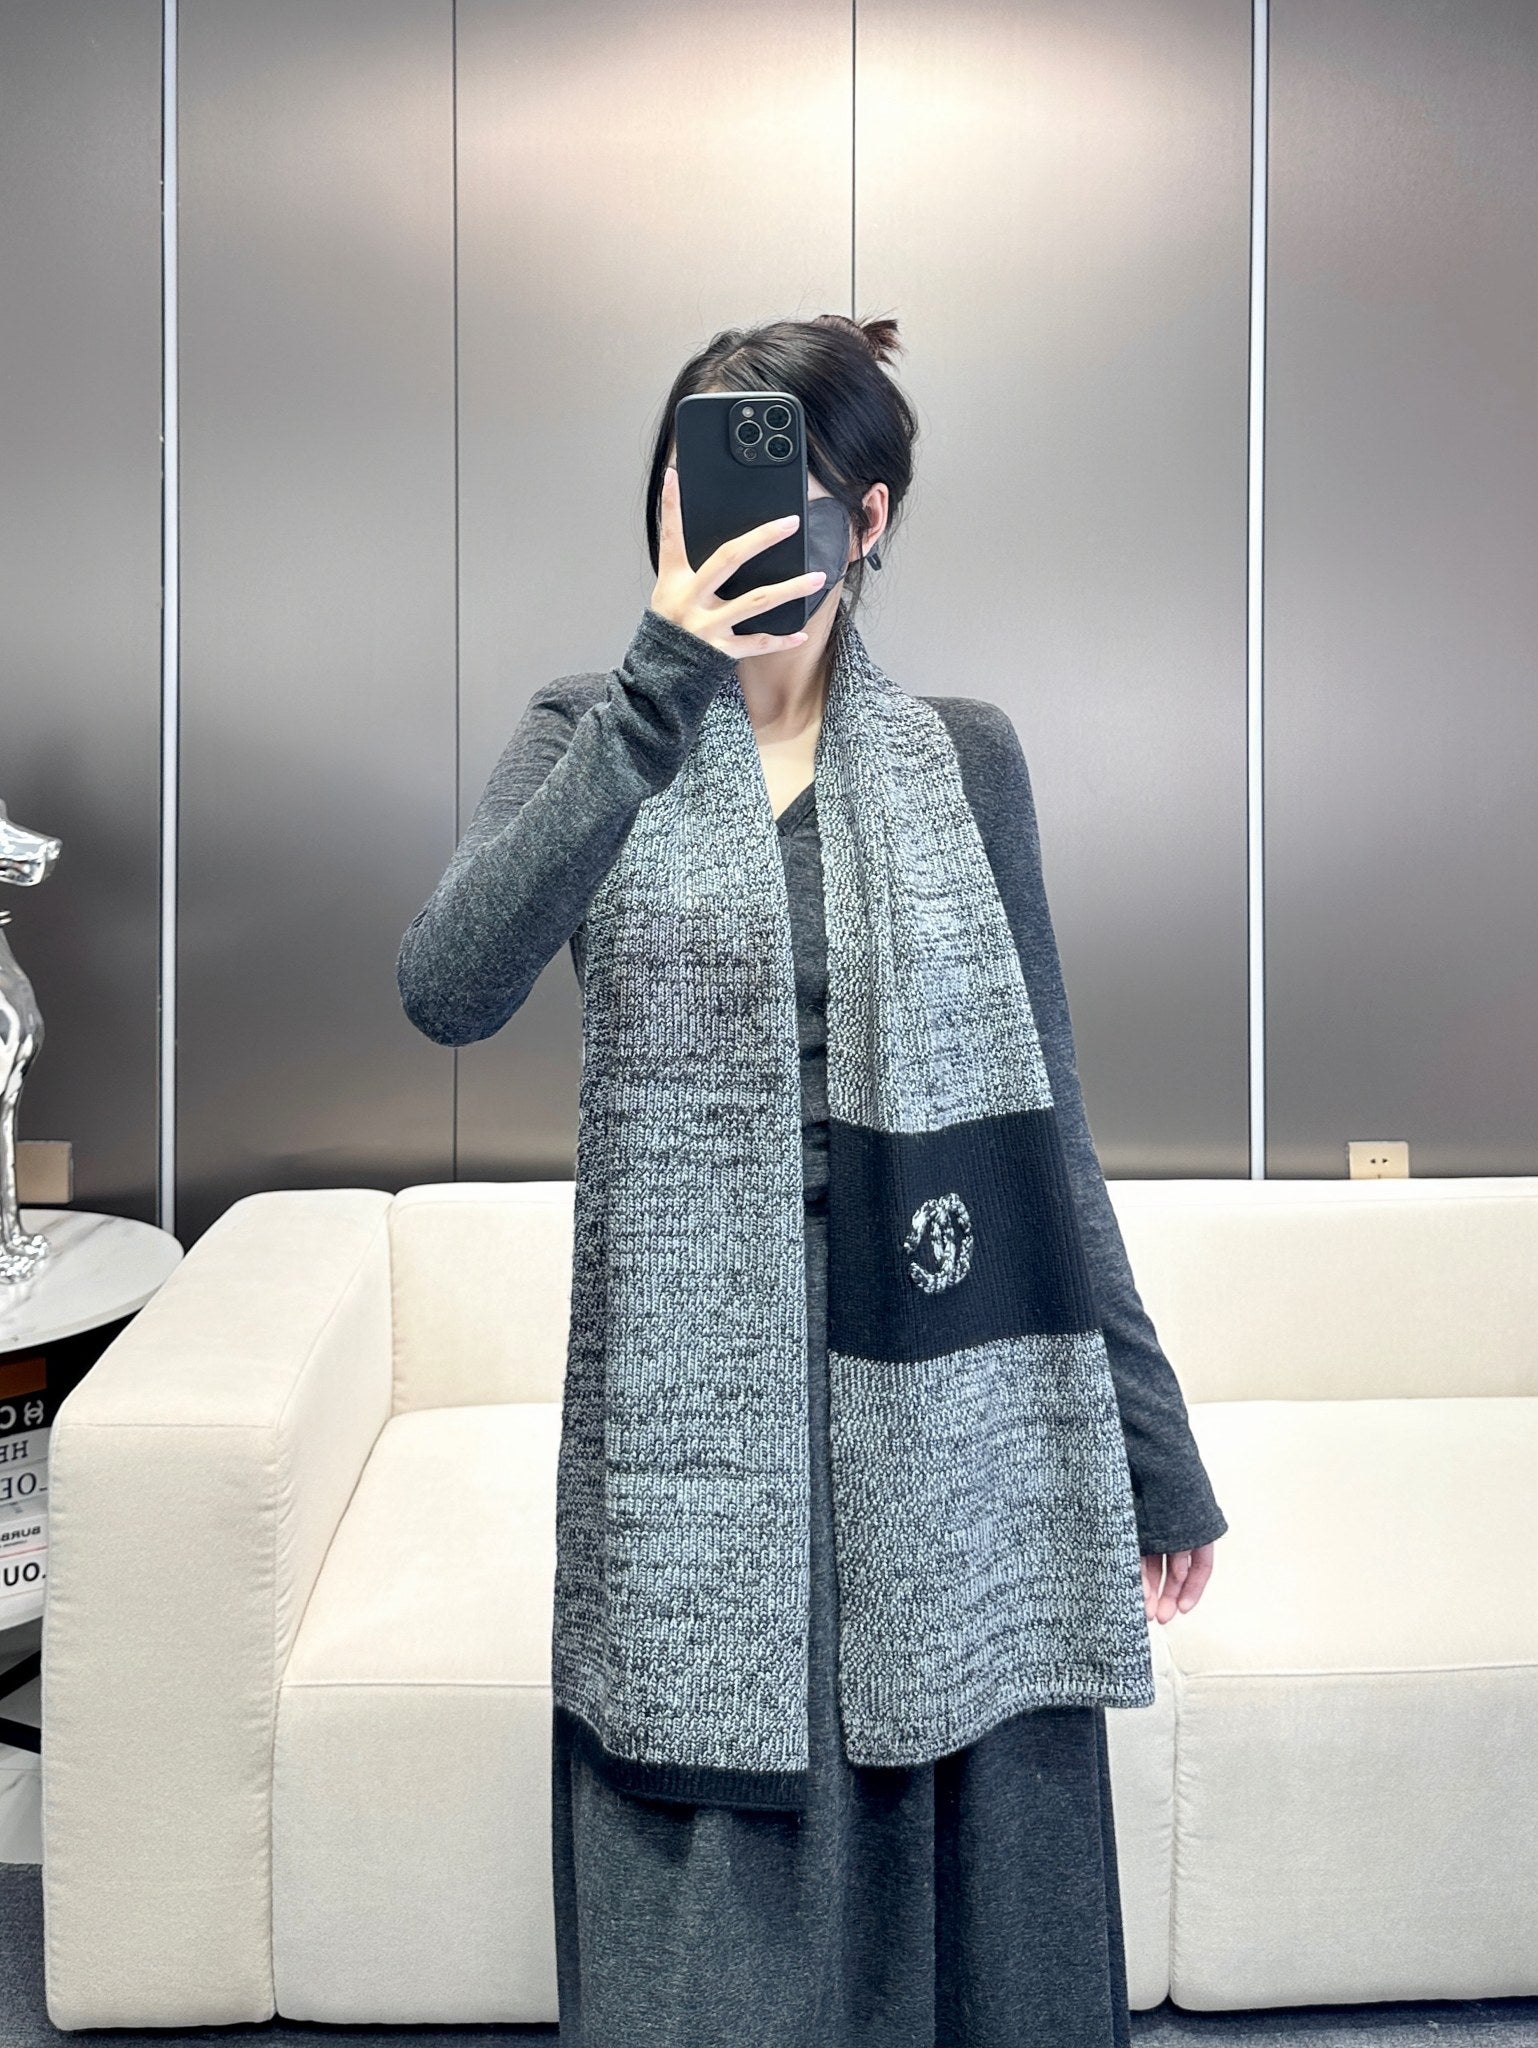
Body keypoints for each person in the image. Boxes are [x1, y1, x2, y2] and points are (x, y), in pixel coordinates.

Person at [397, 311, 1226, 2048]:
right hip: (698, 1410)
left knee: (970, 1858)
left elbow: (1044, 1124)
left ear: (867, 520)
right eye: (699, 485)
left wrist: (1153, 1451)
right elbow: (449, 988)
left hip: (947, 1390)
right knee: (719, 1908)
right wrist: (657, 683)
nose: (739, 529)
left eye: (787, 492)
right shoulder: (588, 733)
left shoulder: (963, 759)